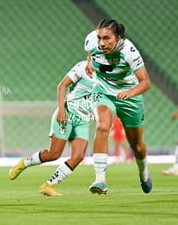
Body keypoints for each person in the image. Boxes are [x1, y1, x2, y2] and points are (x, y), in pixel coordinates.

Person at [8, 31, 98, 197]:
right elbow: (62, 86)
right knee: (54, 154)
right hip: (67, 113)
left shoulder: (106, 75)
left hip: (83, 119)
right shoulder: (81, 68)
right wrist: (62, 110)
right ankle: (25, 162)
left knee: (78, 156)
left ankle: (48, 185)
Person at [85, 18, 152, 195]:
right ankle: (100, 181)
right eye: (99, 37)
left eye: (107, 38)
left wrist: (129, 93)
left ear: (119, 37)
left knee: (136, 145)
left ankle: (143, 171)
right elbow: (91, 54)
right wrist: (89, 63)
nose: (101, 43)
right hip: (103, 91)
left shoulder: (129, 51)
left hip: (129, 96)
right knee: (103, 125)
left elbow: (145, 82)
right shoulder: (91, 42)